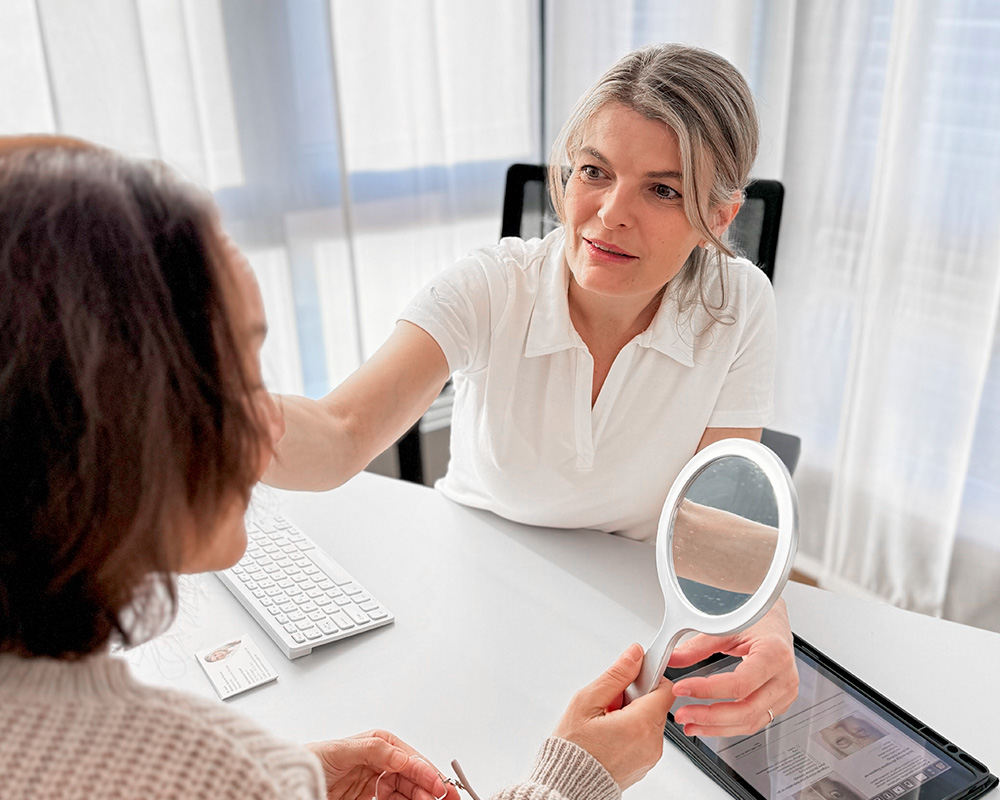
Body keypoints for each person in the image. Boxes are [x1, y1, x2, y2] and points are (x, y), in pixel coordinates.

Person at [0, 136, 675, 800]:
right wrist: (571, 780)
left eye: (663, 187)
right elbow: (343, 428)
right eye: (237, 376)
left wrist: (282, 776)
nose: (269, 422)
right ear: (106, 419)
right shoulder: (182, 761)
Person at [264, 43, 797, 736]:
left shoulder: (738, 305)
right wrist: (176, 411)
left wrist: (770, 618)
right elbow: (338, 436)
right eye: (594, 172)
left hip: (623, 611)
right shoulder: (492, 285)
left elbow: (715, 517)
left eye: (662, 190)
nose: (609, 214)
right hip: (466, 582)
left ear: (719, 218)